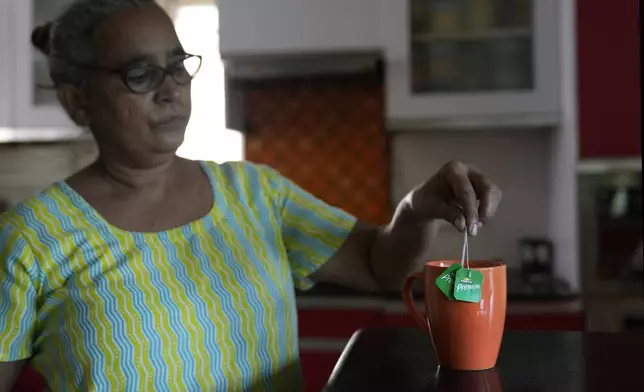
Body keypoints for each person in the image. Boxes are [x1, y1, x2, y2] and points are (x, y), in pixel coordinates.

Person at [0, 1, 502, 391]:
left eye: (178, 66)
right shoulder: (31, 239)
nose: (172, 89)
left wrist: (415, 210)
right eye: (140, 74)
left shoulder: (255, 194)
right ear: (77, 99)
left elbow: (378, 263)